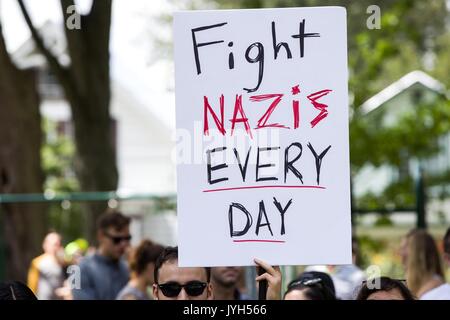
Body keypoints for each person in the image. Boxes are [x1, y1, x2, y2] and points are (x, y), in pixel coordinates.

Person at [72, 210, 131, 300]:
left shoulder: (126, 268)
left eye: (127, 239)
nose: (123, 244)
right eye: (117, 239)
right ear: (101, 236)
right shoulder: (80, 270)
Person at [400, 229, 450, 300]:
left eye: (405, 247)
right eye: (401, 248)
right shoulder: (419, 290)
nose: (401, 253)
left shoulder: (441, 294)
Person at [27, 231, 65, 300]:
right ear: (45, 245)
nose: (56, 247)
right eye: (54, 244)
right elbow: (32, 285)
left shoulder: (63, 262)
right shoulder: (38, 262)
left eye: (58, 244)